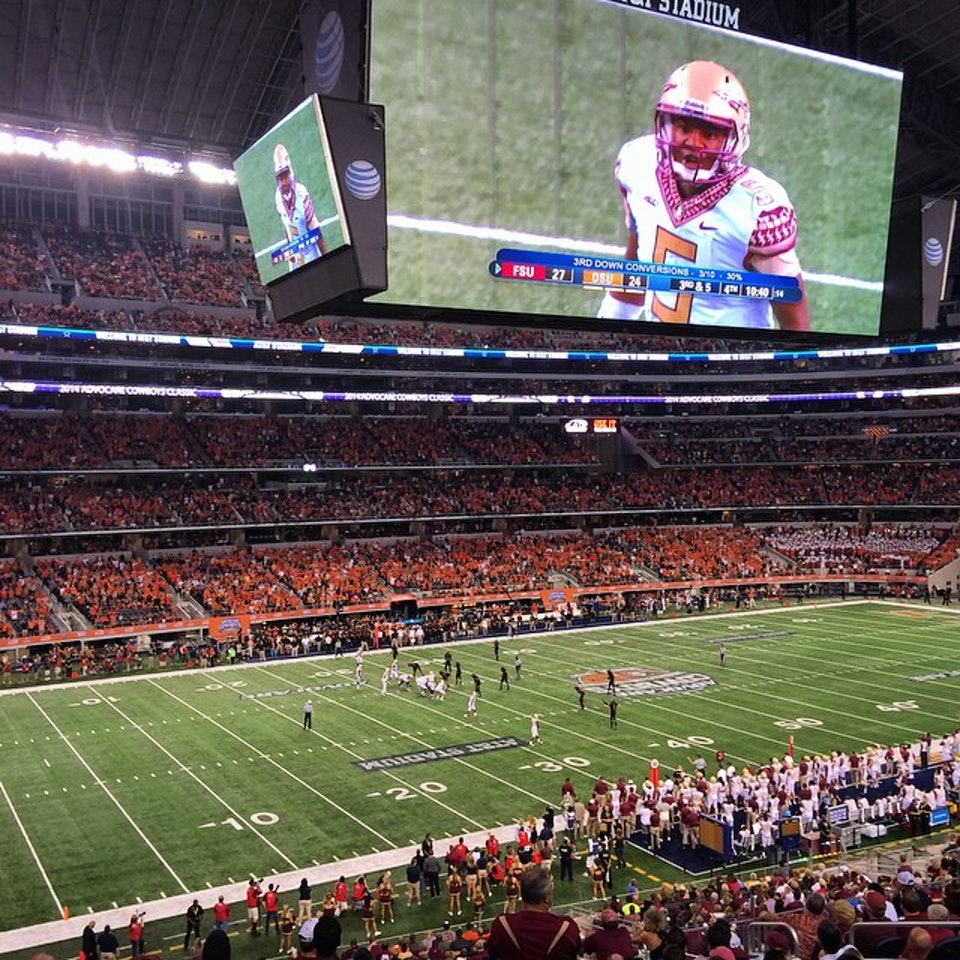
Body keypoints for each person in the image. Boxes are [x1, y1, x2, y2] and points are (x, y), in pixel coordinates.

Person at [597, 60, 809, 332]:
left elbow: (794, 318)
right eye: (685, 128)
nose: (693, 144)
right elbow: (637, 262)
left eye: (709, 133)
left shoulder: (758, 209)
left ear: (735, 138)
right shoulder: (637, 163)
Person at [486, 866, 581, 960]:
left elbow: (492, 953)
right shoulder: (567, 928)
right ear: (547, 899)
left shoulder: (502, 925)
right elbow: (576, 953)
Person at [273, 143, 328, 269]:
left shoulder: (300, 192)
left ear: (290, 174)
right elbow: (287, 228)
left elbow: (314, 228)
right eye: (280, 178)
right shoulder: (277, 197)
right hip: (296, 259)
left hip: (311, 255)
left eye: (285, 176)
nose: (284, 182)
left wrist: (327, 259)